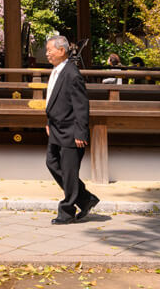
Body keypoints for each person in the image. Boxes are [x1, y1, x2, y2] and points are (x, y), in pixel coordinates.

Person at [44, 35, 99, 225]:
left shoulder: (72, 73)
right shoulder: (57, 71)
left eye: (50, 50)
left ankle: (66, 211)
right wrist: (49, 122)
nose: (47, 53)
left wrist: (81, 133)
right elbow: (54, 101)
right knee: (52, 163)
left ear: (61, 50)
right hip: (56, 128)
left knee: (69, 172)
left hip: (70, 131)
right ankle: (85, 199)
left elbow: (81, 106)